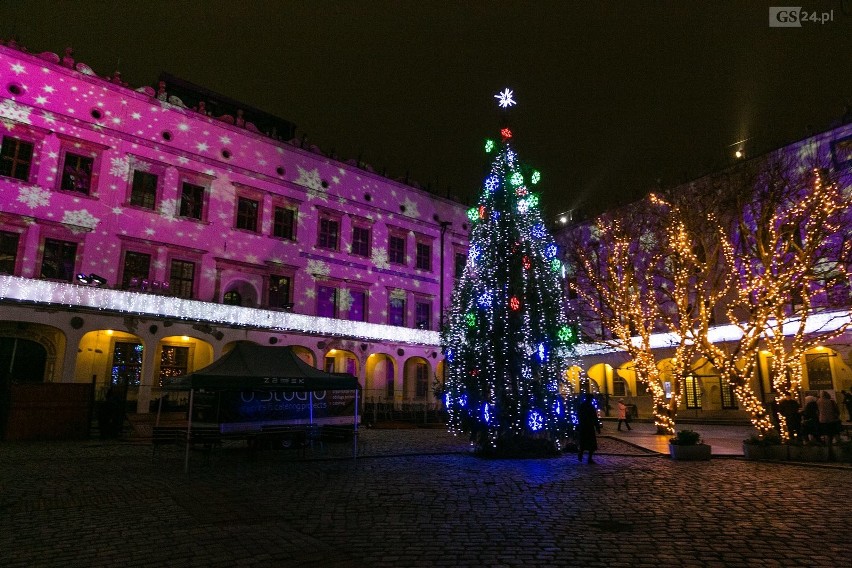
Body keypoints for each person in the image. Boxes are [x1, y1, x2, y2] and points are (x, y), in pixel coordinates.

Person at [576, 395, 599, 464]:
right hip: (589, 427)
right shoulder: (591, 407)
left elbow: (578, 415)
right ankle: (589, 458)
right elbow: (594, 417)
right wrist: (597, 427)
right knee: (591, 443)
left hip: (583, 426)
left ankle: (581, 454)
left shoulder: (581, 406)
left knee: (583, 442)